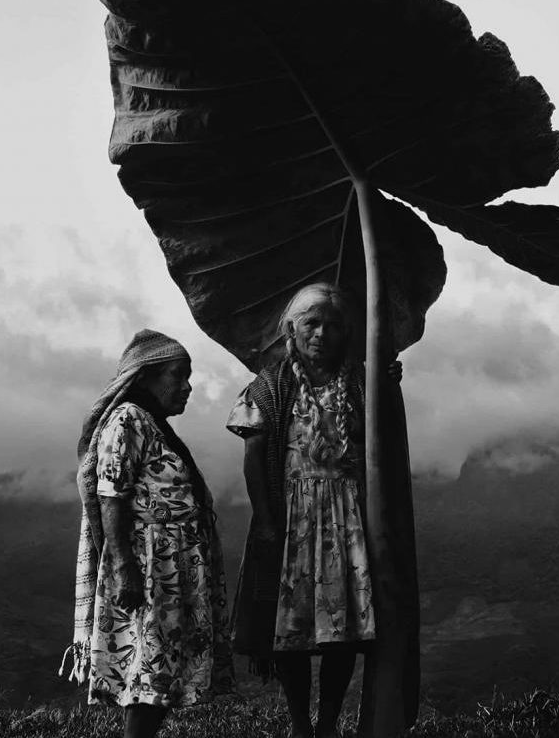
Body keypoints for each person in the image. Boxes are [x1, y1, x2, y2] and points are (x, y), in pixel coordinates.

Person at [226, 283, 400, 738]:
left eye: (333, 325)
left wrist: (389, 384)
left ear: (346, 333)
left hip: (349, 522)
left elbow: (384, 435)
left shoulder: (359, 382)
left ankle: (327, 724)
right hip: (293, 520)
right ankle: (300, 723)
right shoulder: (269, 387)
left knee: (343, 630)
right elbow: (254, 458)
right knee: (291, 629)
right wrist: (266, 520)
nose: (321, 334)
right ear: (292, 330)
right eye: (312, 323)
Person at [61, 329, 234, 738]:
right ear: (146, 377)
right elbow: (111, 494)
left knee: (160, 676)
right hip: (149, 567)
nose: (187, 386)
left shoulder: (154, 425)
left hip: (169, 569)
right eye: (178, 375)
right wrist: (124, 567)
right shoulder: (128, 419)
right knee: (149, 676)